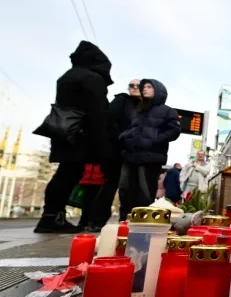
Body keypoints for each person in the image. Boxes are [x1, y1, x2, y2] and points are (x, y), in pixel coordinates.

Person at [35, 41, 112, 234]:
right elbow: (97, 114)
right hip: (81, 134)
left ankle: (51, 215)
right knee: (67, 175)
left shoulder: (68, 77)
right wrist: (103, 149)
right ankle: (52, 218)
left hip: (63, 129)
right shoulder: (92, 79)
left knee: (64, 174)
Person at [85, 79, 141, 229]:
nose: (135, 88)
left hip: (134, 152)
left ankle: (126, 221)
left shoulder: (145, 106)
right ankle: (96, 221)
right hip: (117, 151)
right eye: (132, 86)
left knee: (130, 188)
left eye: (138, 86)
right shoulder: (121, 101)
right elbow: (109, 123)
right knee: (111, 185)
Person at [119, 79, 181, 213]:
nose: (144, 89)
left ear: (158, 90)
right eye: (144, 87)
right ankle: (124, 220)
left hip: (150, 157)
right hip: (130, 155)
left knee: (145, 191)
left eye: (149, 87)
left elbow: (174, 131)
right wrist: (125, 137)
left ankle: (142, 222)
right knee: (125, 188)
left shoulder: (168, 111)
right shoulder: (138, 110)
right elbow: (129, 128)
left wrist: (154, 140)